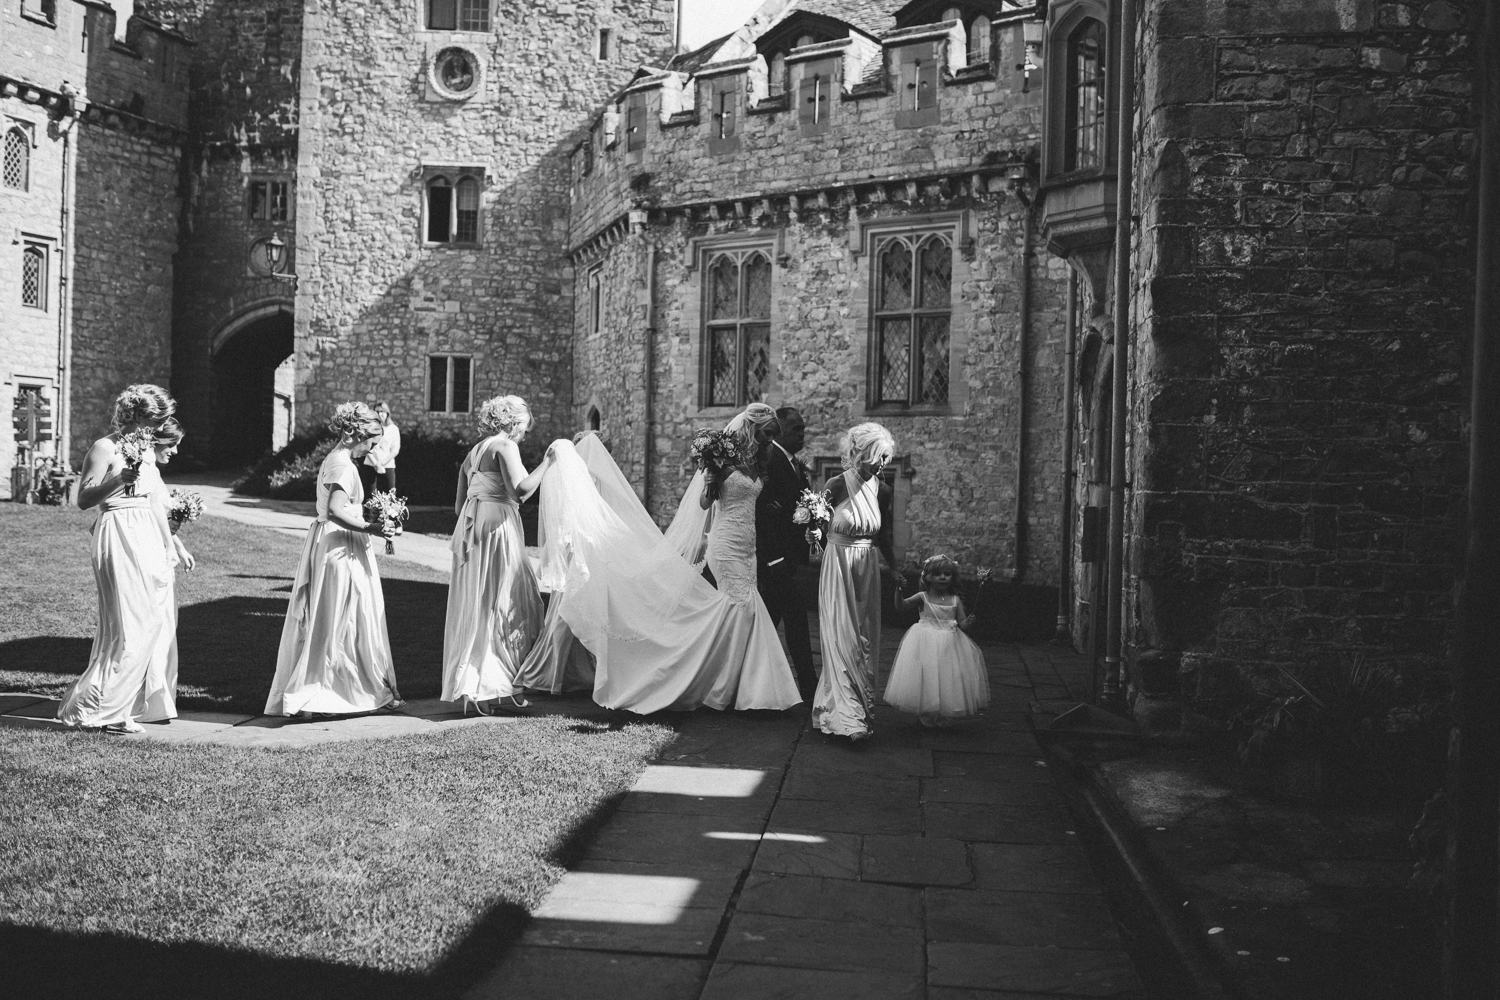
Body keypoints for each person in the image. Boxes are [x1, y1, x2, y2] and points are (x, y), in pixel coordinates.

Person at [532, 413, 801, 714]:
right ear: (752, 429)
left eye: (772, 434)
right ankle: (721, 683)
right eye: (766, 433)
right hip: (725, 543)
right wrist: (710, 482)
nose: (769, 440)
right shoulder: (725, 460)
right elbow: (704, 504)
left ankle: (741, 684)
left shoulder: (758, 461)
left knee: (745, 607)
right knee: (742, 605)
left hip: (747, 544)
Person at [58, 385, 182, 733]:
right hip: (118, 530)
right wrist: (117, 480)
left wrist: (171, 542)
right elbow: (83, 499)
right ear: (136, 415)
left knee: (149, 624)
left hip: (145, 533)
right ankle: (95, 709)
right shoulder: (104, 447)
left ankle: (119, 707)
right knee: (129, 625)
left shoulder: (144, 450)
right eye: (154, 420)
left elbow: (153, 500)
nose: (158, 427)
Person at [266, 402, 401, 717]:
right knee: (335, 620)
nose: (373, 447)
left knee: (346, 618)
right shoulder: (341, 463)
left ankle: (338, 687)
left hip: (337, 544)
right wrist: (374, 528)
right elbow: (335, 511)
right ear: (354, 432)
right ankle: (320, 692)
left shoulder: (339, 460)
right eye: (371, 439)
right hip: (339, 549)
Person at [441, 395, 550, 715]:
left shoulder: (473, 453)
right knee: (507, 601)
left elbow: (459, 507)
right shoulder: (505, 447)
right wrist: (549, 462)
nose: (524, 435)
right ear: (513, 423)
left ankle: (494, 686)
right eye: (524, 429)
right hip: (497, 528)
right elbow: (522, 490)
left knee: (481, 602)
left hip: (473, 529)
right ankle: (491, 686)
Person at [811, 422, 903, 741]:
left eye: (886, 457)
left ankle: (860, 707)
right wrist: (813, 533)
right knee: (843, 638)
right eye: (877, 457)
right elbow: (818, 525)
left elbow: (885, 536)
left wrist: (894, 569)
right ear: (859, 454)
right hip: (837, 566)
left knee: (865, 638)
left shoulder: (884, 490)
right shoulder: (836, 484)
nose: (882, 464)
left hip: (868, 569)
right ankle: (850, 722)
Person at [882, 553, 989, 726]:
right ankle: (927, 710)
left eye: (947, 574)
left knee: (948, 676)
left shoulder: (955, 600)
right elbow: (900, 606)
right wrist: (898, 589)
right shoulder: (922, 597)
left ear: (952, 577)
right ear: (928, 577)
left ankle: (943, 711)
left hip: (950, 643)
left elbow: (961, 624)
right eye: (938, 574)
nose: (943, 577)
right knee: (927, 675)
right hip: (925, 641)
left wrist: (967, 622)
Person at [756, 405, 817, 698]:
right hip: (775, 560)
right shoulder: (771, 460)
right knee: (796, 618)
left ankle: (753, 679)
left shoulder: (794, 463)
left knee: (768, 623)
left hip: (790, 558)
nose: (802, 434)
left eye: (803, 429)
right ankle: (808, 685)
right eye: (797, 429)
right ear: (780, 429)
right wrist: (774, 558)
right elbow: (763, 513)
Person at [359, 400, 401, 497]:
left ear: (387, 413)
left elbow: (395, 449)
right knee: (370, 498)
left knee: (389, 497)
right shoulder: (369, 428)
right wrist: (375, 463)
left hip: (387, 465)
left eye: (382, 411)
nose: (379, 414)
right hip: (371, 464)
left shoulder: (393, 429)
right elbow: (366, 447)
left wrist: (381, 463)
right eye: (377, 412)